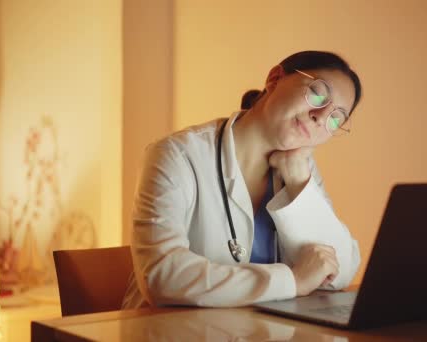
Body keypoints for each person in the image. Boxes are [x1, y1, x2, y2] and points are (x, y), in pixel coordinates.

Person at [122, 50, 362, 308]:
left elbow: (341, 270)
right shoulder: (176, 156)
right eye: (319, 93)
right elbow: (162, 275)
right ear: (274, 79)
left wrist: (299, 179)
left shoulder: (301, 169)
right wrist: (292, 281)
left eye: (336, 118)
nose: (321, 116)